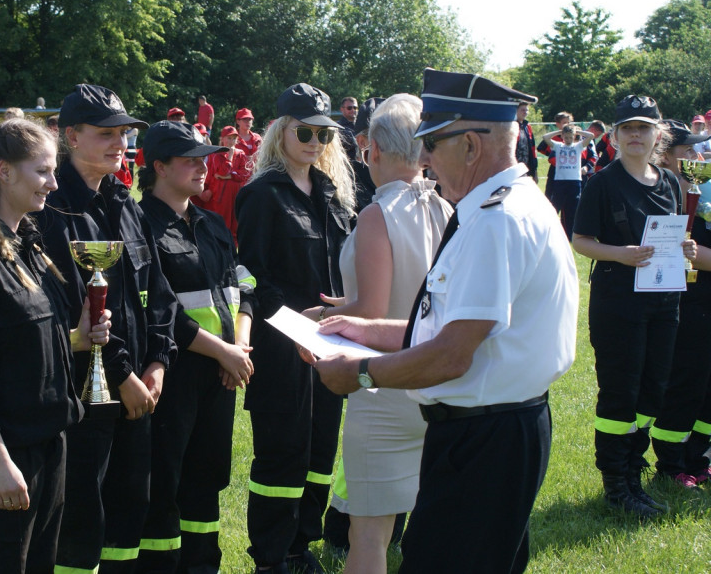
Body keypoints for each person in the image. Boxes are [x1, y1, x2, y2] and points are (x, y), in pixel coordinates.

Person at [311, 69, 577, 574]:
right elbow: (444, 330)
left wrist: (361, 373)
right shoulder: (493, 208)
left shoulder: (497, 221)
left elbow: (453, 354)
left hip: (486, 439)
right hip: (489, 430)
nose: (425, 158)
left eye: (432, 143)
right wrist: (365, 331)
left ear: (471, 146)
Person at [0, 118, 113, 573]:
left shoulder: (26, 242)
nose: (53, 183)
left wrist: (77, 337)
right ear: (4, 172)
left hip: (49, 448)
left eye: (53, 170)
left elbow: (21, 345)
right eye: (42, 171)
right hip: (1, 458)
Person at [34, 83, 177, 574]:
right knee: (81, 519)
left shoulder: (124, 202)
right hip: (84, 394)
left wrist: (157, 363)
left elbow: (158, 292)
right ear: (70, 136)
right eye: (106, 134)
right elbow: (77, 309)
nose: (120, 143)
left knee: (127, 513)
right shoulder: (52, 211)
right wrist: (123, 376)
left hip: (141, 388)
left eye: (124, 133)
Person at [311, 94, 451, 574]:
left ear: (372, 151)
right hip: (436, 375)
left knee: (368, 535)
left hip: (383, 385)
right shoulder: (445, 206)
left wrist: (314, 318)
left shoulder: (377, 213)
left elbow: (371, 311)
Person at [236, 82, 355, 574]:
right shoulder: (261, 193)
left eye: (324, 134)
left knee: (322, 445)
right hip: (283, 342)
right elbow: (250, 276)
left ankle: (301, 543)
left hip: (331, 340)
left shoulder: (333, 194)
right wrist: (292, 326)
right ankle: (270, 555)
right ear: (281, 132)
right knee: (281, 450)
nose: (315, 142)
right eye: (304, 132)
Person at [136, 120, 256, 573]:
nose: (204, 167)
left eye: (205, 157)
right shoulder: (140, 224)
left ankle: (202, 565)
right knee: (165, 478)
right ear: (160, 167)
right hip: (174, 370)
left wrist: (238, 347)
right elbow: (159, 308)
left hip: (223, 370)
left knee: (208, 477)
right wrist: (222, 351)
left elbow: (243, 283)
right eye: (190, 159)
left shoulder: (210, 223)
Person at [573, 95, 696, 518]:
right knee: (620, 393)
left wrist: (686, 246)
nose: (636, 135)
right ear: (615, 135)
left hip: (664, 301)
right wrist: (620, 253)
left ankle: (634, 470)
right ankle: (615, 483)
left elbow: (671, 237)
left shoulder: (667, 181)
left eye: (644, 128)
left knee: (653, 391)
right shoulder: (601, 183)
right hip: (617, 302)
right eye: (628, 128)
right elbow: (581, 241)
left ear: (658, 135)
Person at [651, 120, 711, 488]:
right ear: (668, 158)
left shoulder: (701, 192)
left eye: (698, 150)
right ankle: (671, 464)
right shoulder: (663, 195)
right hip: (685, 303)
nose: (697, 156)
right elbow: (673, 251)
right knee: (686, 381)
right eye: (688, 151)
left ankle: (699, 456)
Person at [541, 120, 595, 238]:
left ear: (574, 136)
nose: (568, 140)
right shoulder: (558, 146)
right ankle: (550, 231)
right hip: (560, 181)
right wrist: (561, 131)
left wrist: (576, 131)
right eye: (566, 137)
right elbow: (545, 137)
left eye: (571, 137)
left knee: (573, 208)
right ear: (562, 137)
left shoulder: (578, 146)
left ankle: (570, 234)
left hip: (574, 181)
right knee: (556, 206)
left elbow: (591, 136)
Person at [201, 125, 250, 242]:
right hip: (221, 195)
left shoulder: (241, 153)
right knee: (222, 223)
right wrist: (230, 157)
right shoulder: (217, 154)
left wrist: (229, 176)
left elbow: (244, 174)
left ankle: (234, 251)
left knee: (236, 223)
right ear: (222, 139)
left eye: (234, 138)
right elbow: (223, 171)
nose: (231, 141)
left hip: (236, 193)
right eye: (229, 138)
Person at [514, 99, 539, 182]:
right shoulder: (511, 125)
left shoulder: (527, 126)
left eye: (526, 110)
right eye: (522, 110)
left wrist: (534, 169)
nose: (525, 112)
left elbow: (532, 148)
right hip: (514, 164)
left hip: (526, 165)